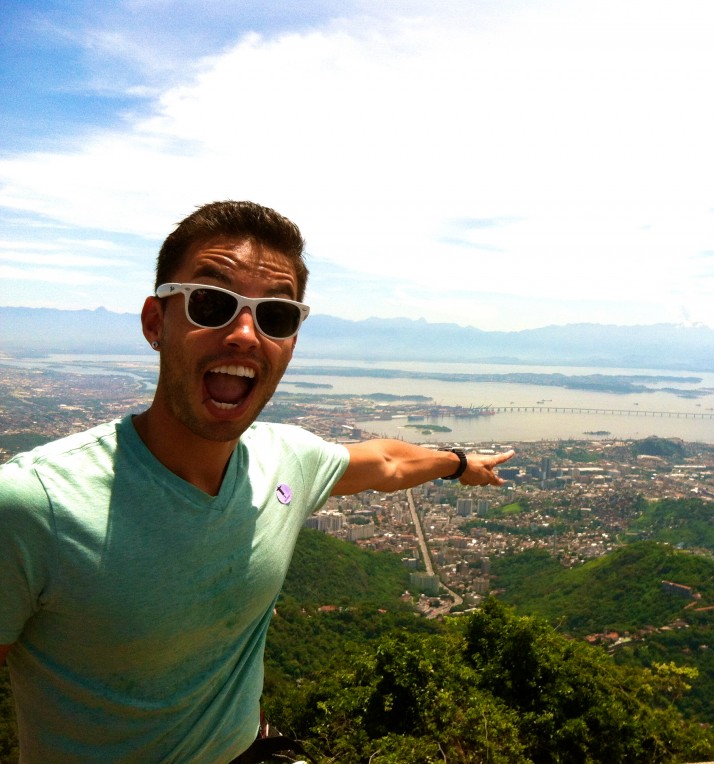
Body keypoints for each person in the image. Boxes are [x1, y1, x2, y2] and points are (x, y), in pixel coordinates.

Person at [0, 200, 515, 763]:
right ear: (155, 322)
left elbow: (387, 461)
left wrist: (459, 462)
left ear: (291, 340)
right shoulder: (34, 504)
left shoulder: (285, 458)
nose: (245, 333)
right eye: (212, 303)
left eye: (275, 316)